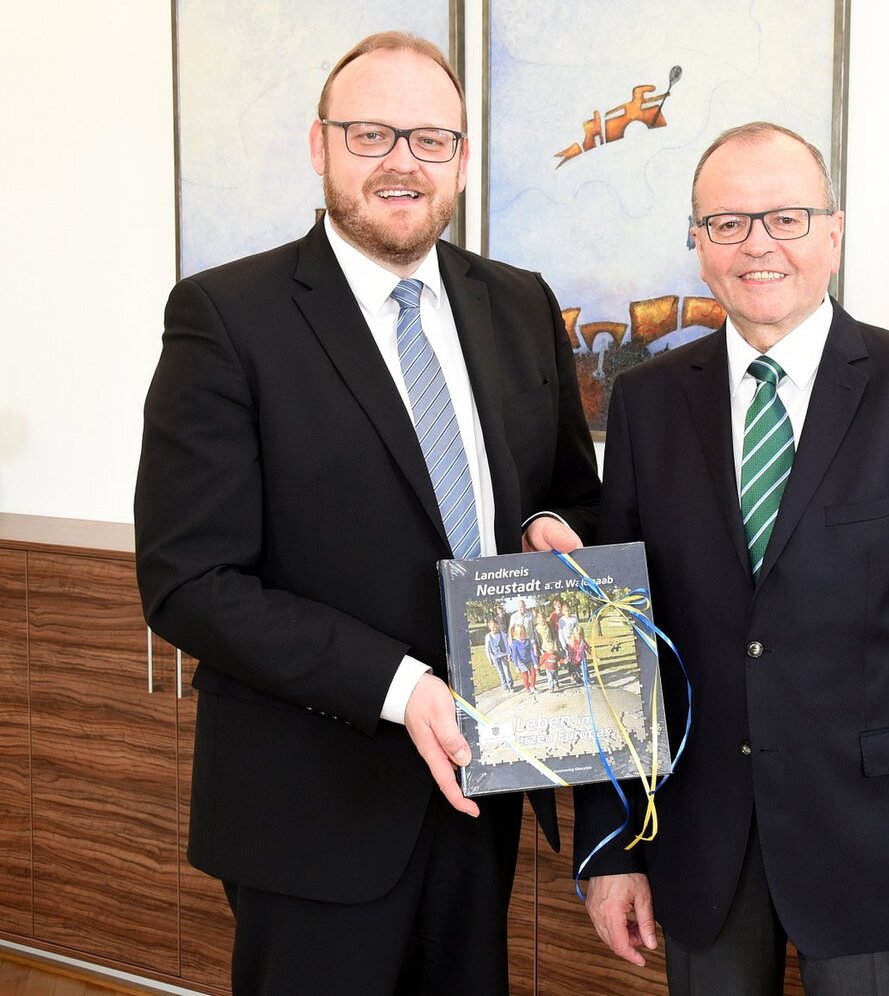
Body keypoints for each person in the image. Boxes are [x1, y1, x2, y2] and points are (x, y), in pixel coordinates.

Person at [134, 31, 599, 995]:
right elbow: (190, 582)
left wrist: (546, 532)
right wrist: (399, 686)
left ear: (462, 160)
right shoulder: (226, 316)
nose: (402, 161)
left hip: (483, 786)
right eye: (370, 133)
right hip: (311, 807)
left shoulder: (519, 303)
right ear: (320, 146)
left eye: (430, 139)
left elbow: (562, 490)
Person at [573, 122, 889, 995]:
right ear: (698, 245)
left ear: (834, 231)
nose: (758, 245)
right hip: (700, 848)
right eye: (728, 223)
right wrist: (611, 846)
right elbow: (614, 644)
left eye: (786, 216)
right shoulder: (644, 404)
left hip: (878, 858)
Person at [484, 618, 513, 691]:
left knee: (506, 671)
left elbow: (507, 645)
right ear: (490, 627)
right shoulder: (488, 636)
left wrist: (509, 654)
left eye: (496, 627)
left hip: (503, 655)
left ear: (498, 626)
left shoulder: (503, 634)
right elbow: (487, 648)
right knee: (500, 672)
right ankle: (505, 686)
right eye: (493, 627)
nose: (495, 628)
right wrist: (489, 658)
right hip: (495, 657)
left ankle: (510, 685)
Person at [510, 623, 539, 694]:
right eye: (520, 634)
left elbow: (531, 652)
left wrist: (535, 663)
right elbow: (514, 655)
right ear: (516, 635)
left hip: (529, 660)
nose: (523, 635)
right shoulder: (515, 643)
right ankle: (527, 688)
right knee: (525, 675)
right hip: (521, 662)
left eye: (524, 633)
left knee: (533, 673)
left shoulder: (528, 641)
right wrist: (516, 666)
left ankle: (532, 686)